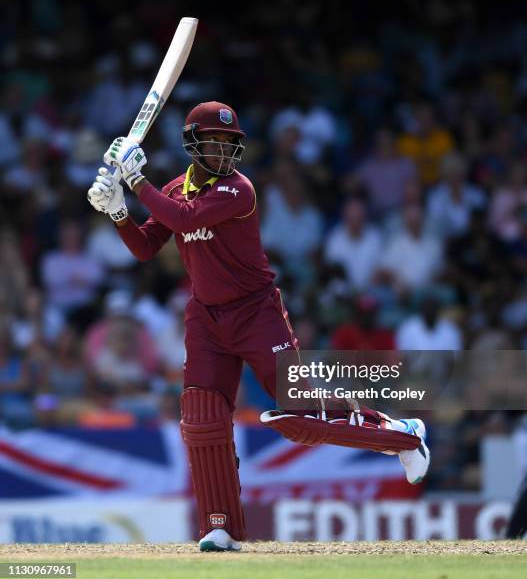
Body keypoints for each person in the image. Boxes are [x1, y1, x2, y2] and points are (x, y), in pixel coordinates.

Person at [86, 100, 430, 552]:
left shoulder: (239, 189)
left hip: (256, 312)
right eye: (214, 141)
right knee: (202, 418)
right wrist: (117, 212)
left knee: (304, 412)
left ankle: (403, 436)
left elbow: (186, 219)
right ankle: (220, 526)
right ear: (193, 144)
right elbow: (147, 246)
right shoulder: (173, 189)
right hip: (206, 318)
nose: (224, 151)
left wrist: (135, 181)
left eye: (230, 143)